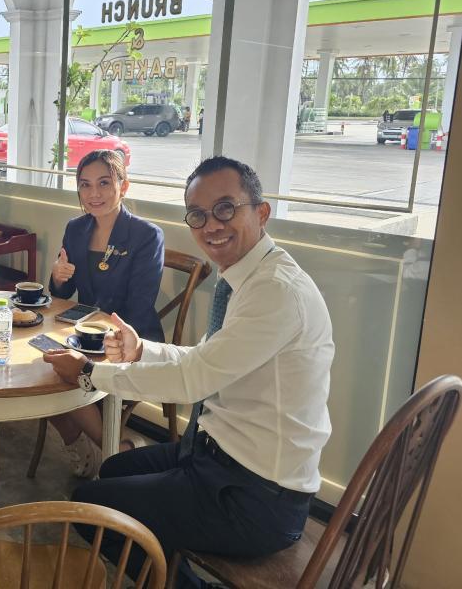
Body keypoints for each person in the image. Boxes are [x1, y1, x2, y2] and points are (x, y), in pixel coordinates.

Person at [44, 156, 334, 588]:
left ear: (261, 212)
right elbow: (203, 359)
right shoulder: (250, 278)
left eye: (225, 209)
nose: (211, 225)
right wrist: (142, 350)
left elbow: (193, 379)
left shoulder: (275, 291)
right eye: (198, 215)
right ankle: (166, 555)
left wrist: (89, 373)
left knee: (88, 507)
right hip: (216, 453)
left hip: (255, 495)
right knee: (116, 469)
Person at [47, 149, 164, 478]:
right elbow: (62, 295)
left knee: (63, 374)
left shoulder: (146, 235)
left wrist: (94, 345)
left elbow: (140, 306)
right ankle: (95, 450)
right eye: (85, 185)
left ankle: (114, 453)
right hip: (84, 335)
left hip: (130, 338)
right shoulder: (75, 228)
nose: (93, 194)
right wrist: (58, 276)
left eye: (103, 183)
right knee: (42, 366)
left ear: (123, 186)